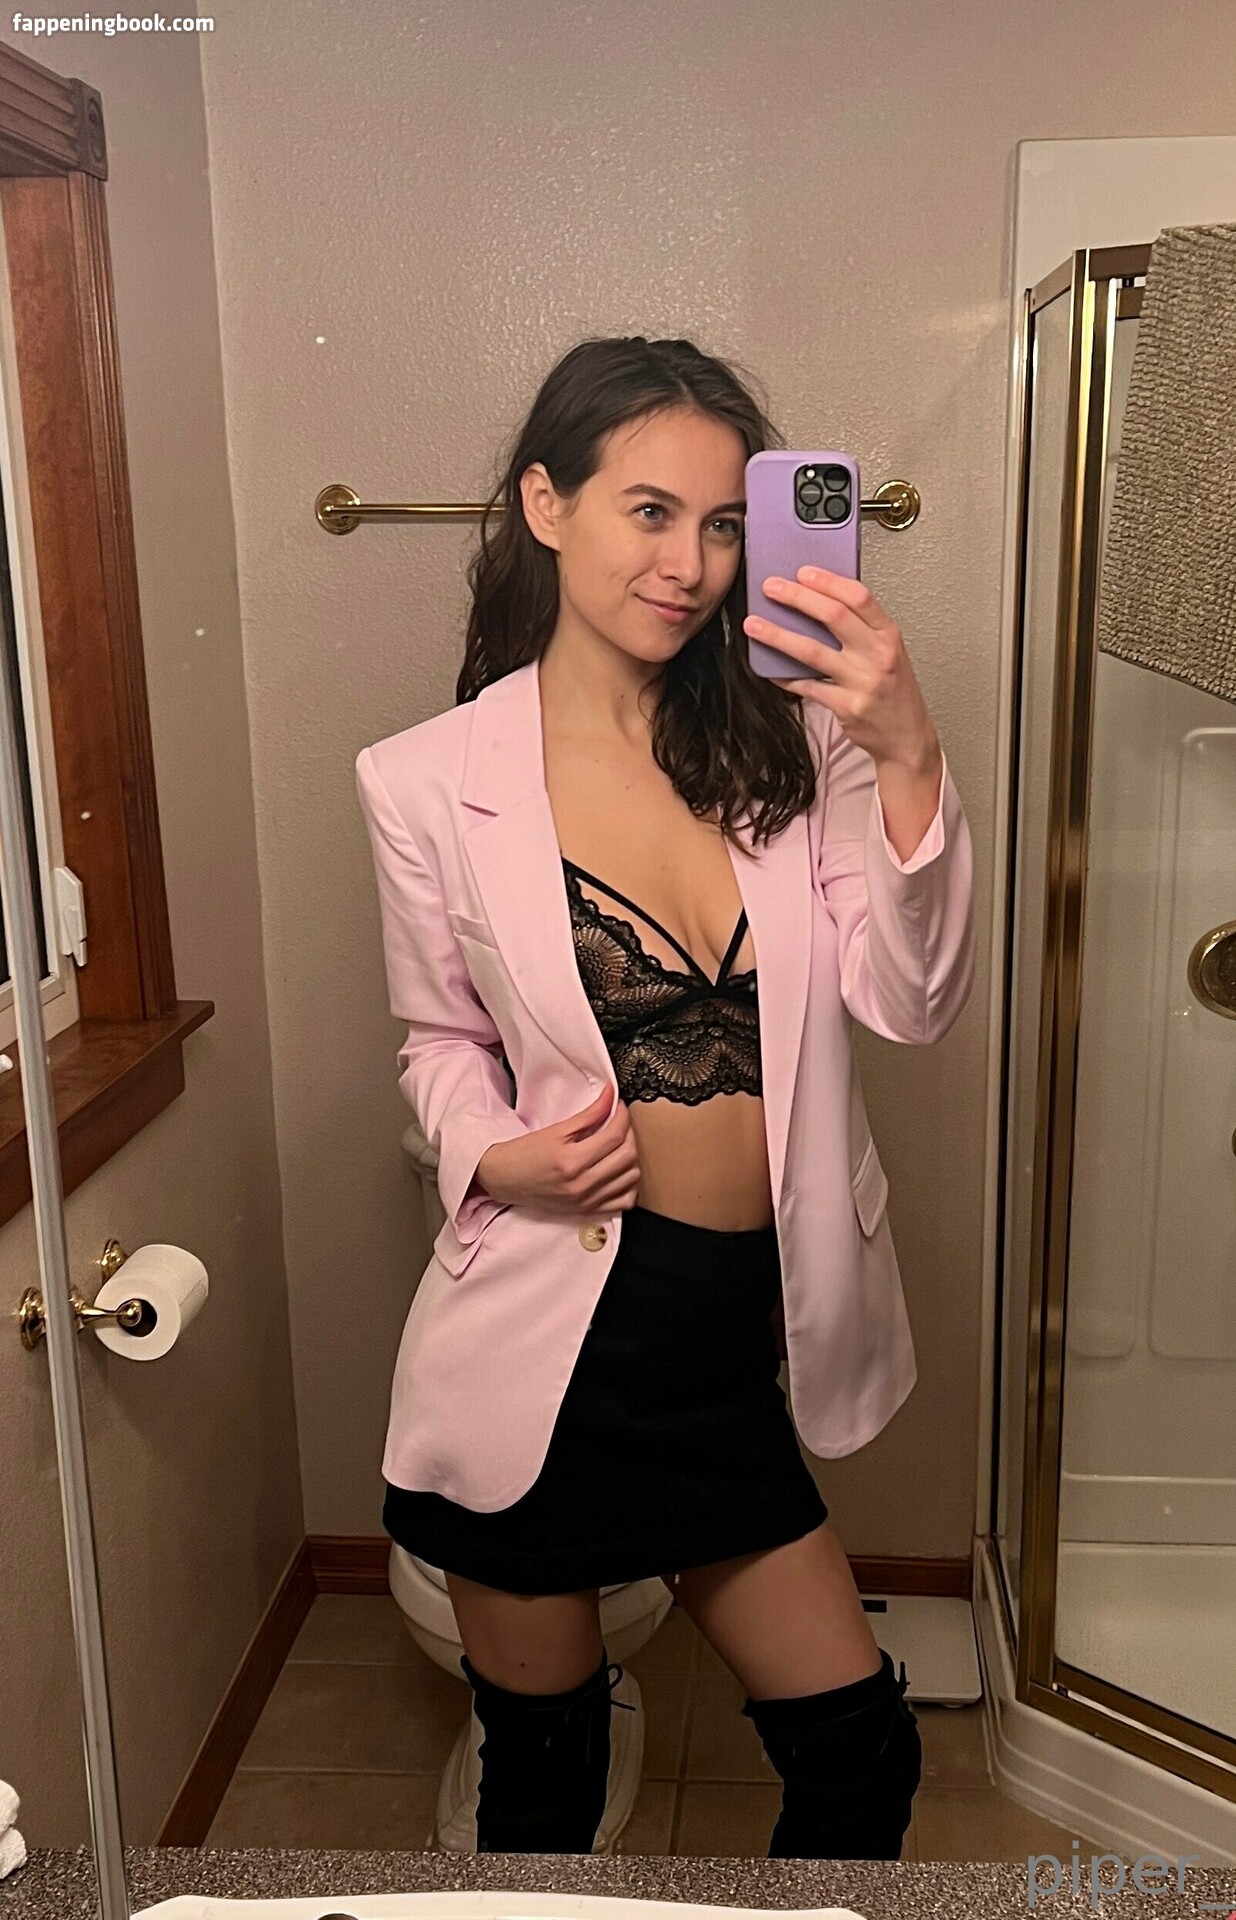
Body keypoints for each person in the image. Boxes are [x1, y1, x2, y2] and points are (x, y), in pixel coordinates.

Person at [354, 335, 977, 1859]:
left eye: (721, 525)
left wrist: (907, 751)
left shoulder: (798, 740)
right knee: (544, 1791)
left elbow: (911, 999)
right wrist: (492, 1157)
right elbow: (436, 1041)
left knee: (859, 1759)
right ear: (546, 504)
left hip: (726, 1343)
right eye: (648, 512)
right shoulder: (425, 780)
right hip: (542, 1345)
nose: (690, 566)